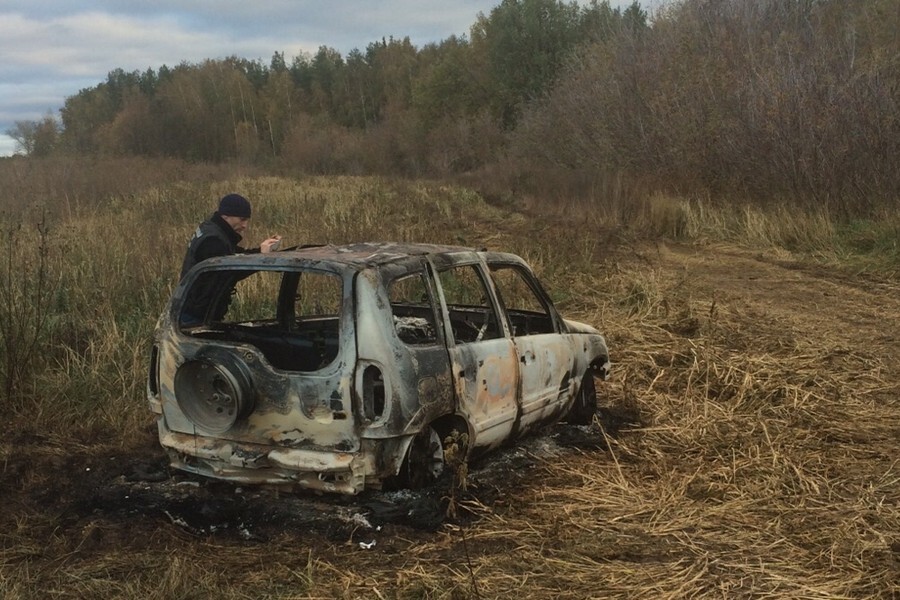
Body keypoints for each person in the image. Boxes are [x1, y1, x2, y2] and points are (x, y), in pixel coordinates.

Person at [179, 193, 282, 325]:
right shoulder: (212, 241)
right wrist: (261, 259)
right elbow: (231, 270)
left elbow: (234, 256)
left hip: (197, 310)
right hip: (195, 315)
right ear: (226, 215)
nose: (245, 225)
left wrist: (261, 251)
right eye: (242, 219)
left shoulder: (213, 230)